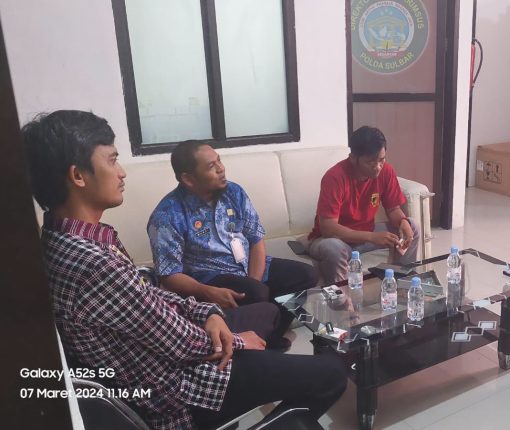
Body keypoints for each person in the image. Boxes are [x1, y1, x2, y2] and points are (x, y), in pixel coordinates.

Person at [25, 110, 346, 429]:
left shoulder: (67, 238)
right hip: (179, 387)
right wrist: (237, 341)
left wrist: (208, 314)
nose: (121, 173)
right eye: (112, 161)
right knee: (332, 374)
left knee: (273, 304)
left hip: (171, 356)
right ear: (78, 176)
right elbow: (177, 340)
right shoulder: (93, 261)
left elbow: (147, 295)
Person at [148, 141, 318, 349]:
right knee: (257, 292)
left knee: (306, 275)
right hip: (210, 276)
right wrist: (206, 291)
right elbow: (168, 274)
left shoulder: (234, 192)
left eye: (219, 160)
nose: (221, 168)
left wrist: (253, 280)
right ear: (188, 179)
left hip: (245, 263)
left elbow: (255, 238)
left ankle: (271, 334)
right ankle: (250, 342)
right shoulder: (167, 215)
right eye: (211, 166)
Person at [307, 126, 421, 284]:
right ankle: (341, 296)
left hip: (366, 234)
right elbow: (328, 227)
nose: (378, 167)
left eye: (381, 160)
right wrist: (372, 237)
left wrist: (403, 222)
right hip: (332, 239)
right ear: (353, 158)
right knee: (333, 248)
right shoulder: (335, 177)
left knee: (413, 226)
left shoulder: (386, 172)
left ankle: (402, 283)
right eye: (370, 162)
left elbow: (393, 209)